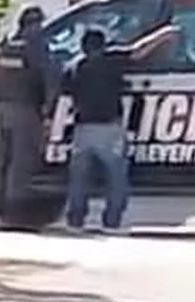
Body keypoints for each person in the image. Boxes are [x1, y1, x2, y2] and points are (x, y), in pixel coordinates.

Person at [62, 20, 180, 233]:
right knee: (116, 177)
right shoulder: (111, 60)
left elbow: (68, 95)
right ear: (103, 45)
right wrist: (164, 35)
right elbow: (138, 51)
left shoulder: (74, 67)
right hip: (109, 129)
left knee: (79, 179)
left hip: (82, 130)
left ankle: (76, 220)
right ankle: (111, 221)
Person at [0, 5, 58, 227]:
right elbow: (50, 80)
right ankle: (15, 214)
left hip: (3, 109)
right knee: (22, 162)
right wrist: (48, 110)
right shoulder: (36, 46)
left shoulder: (6, 47)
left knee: (3, 160)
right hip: (26, 111)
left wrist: (0, 97)